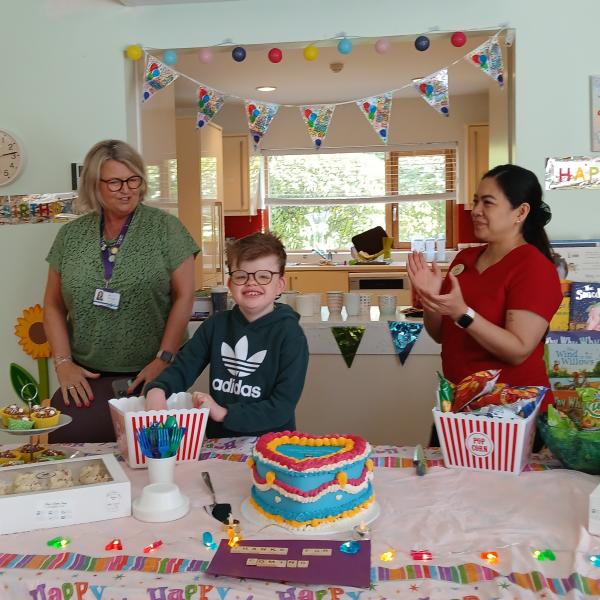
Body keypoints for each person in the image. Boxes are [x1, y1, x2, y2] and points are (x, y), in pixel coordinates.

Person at [44, 140, 199, 442]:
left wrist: (164, 360)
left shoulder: (166, 229)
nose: (126, 189)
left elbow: (185, 297)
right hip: (88, 376)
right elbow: (52, 305)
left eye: (133, 180)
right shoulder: (70, 236)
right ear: (94, 184)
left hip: (153, 374)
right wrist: (63, 363)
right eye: (114, 182)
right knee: (79, 458)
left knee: (156, 458)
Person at [407, 164, 562, 443]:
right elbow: (442, 335)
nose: (476, 210)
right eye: (476, 200)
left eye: (487, 202)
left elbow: (517, 350)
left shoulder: (533, 268)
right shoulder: (464, 261)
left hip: (512, 414)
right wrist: (431, 300)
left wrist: (462, 313)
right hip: (457, 408)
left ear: (521, 212)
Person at [145, 232, 309, 438]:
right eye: (241, 275)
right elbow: (183, 367)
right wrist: (158, 389)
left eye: (264, 276)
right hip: (220, 441)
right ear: (230, 284)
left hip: (272, 445)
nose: (251, 283)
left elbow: (281, 407)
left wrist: (224, 413)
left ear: (280, 286)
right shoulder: (216, 325)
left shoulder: (290, 335)